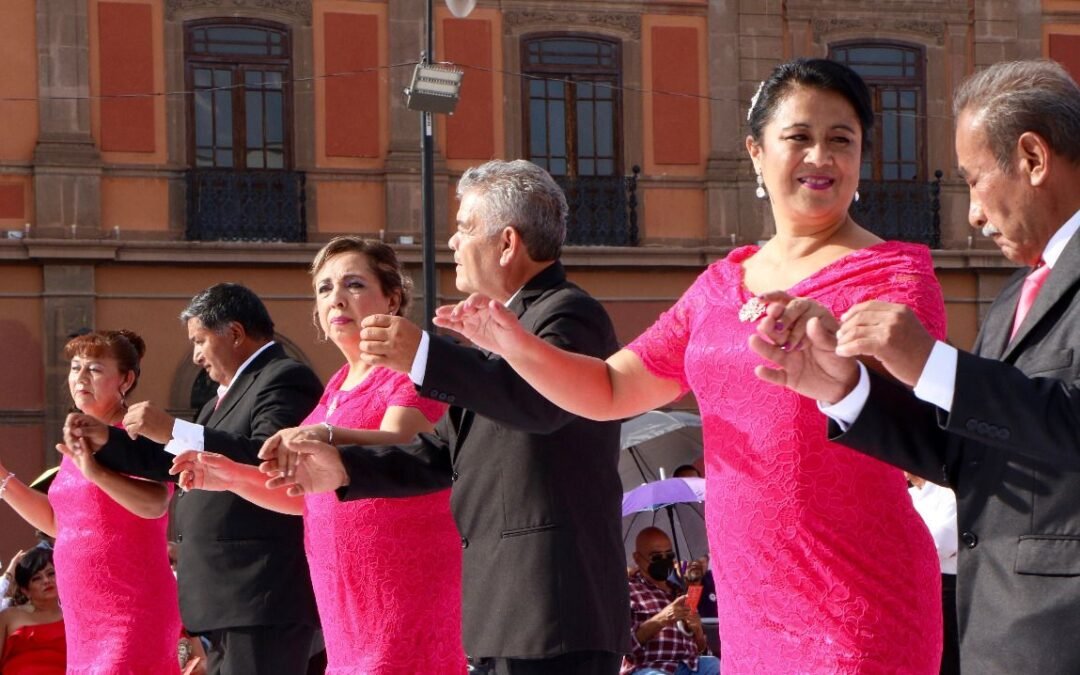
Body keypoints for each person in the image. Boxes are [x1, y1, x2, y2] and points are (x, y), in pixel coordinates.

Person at [425, 61, 946, 673]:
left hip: (859, 602)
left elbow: (921, 426)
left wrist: (840, 367)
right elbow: (611, 387)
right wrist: (516, 343)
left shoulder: (894, 275)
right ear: (755, 152)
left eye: (841, 139)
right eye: (799, 137)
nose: (820, 156)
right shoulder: (720, 286)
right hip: (754, 616)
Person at [749, 59, 1080, 673]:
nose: (974, 215)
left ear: (1032, 159)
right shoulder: (1015, 295)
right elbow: (971, 453)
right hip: (999, 633)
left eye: (975, 180)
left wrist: (935, 364)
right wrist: (844, 387)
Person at [261, 159, 630, 674]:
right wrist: (344, 469)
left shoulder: (567, 313)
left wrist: (425, 356)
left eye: (464, 229)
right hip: (503, 610)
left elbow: (540, 407)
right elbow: (442, 454)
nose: (453, 243)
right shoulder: (502, 327)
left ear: (506, 243)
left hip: (555, 607)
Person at [170, 237, 466, 674]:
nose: (337, 298)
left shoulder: (409, 373)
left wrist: (324, 436)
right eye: (325, 288)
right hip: (342, 598)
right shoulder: (336, 386)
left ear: (393, 297)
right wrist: (230, 476)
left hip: (402, 583)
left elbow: (403, 442)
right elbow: (305, 497)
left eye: (354, 284)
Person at [65, 284, 323, 675]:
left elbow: (267, 456)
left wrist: (171, 428)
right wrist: (105, 439)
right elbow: (167, 461)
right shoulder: (214, 403)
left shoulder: (285, 378)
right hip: (225, 602)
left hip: (261, 595)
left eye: (200, 341)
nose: (196, 355)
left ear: (234, 333)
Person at [0, 330, 181, 673]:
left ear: (125, 379)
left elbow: (155, 503)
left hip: (131, 606)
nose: (80, 378)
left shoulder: (135, 432)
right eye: (75, 367)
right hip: (84, 615)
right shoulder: (81, 437)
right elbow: (59, 523)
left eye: (94, 369)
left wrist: (95, 472)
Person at [621, 528, 718, 675]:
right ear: (637, 558)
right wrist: (661, 619)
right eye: (656, 557)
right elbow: (624, 649)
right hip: (648, 668)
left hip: (689, 667)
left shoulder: (679, 591)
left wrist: (698, 633)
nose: (664, 560)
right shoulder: (627, 589)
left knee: (717, 666)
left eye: (669, 555)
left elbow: (702, 651)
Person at [907, 473, 959, 675]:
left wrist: (906, 552)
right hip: (916, 588)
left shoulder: (949, 494)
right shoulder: (908, 496)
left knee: (948, 658)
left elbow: (941, 543)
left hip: (947, 587)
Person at [0, 547, 64, 674]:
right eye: (36, 578)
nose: (46, 581)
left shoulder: (74, 617)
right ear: (25, 590)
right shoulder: (9, 616)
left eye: (51, 573)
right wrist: (8, 574)